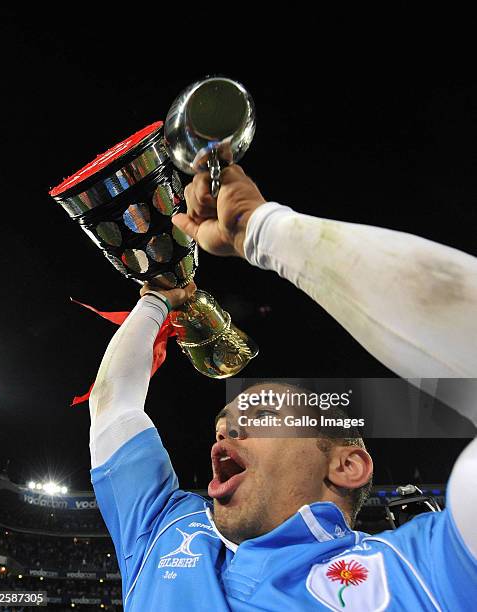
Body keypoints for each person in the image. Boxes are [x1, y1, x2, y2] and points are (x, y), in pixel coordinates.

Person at [89, 165, 477, 610]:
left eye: (264, 417)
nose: (226, 433)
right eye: (224, 426)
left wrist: (264, 229)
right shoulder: (165, 533)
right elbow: (113, 406)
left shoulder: (417, 574)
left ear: (348, 465)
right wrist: (157, 300)